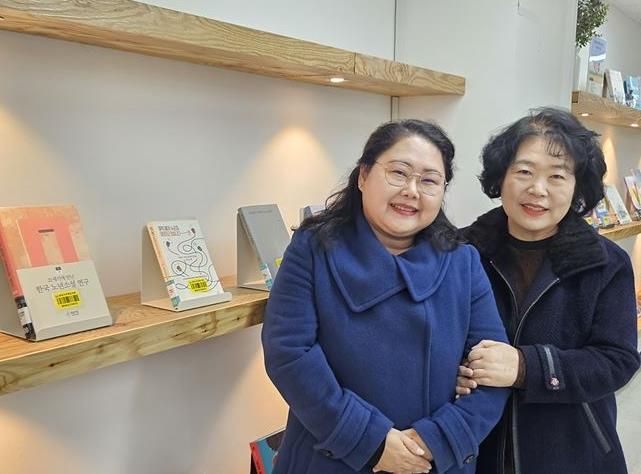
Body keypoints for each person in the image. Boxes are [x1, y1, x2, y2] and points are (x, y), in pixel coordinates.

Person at [261, 119, 509, 474]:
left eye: (429, 181)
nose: (411, 190)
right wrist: (371, 442)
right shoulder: (314, 247)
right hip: (331, 454)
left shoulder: (462, 261)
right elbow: (289, 353)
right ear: (363, 176)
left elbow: (492, 372)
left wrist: (435, 441)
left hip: (431, 463)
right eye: (398, 173)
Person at [457, 107, 641, 474]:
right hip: (477, 452)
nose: (537, 190)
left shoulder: (605, 263)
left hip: (573, 454)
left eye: (557, 176)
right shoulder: (462, 253)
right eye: (524, 172)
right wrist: (455, 371)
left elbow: (617, 360)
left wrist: (527, 367)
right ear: (501, 178)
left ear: (577, 187)